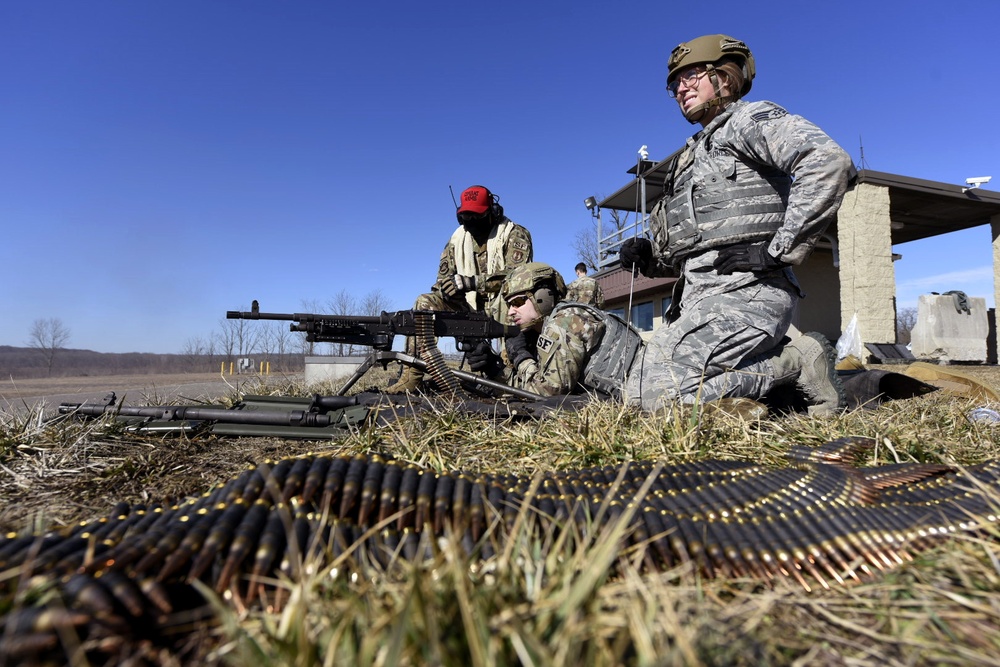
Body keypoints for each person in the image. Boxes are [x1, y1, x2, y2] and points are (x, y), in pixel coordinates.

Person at [618, 34, 852, 415]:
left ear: (724, 77)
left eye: (691, 75)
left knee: (651, 394)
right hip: (701, 301)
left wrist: (777, 252)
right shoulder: (690, 157)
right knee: (634, 384)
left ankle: (793, 364)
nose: (681, 87)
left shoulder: (746, 120)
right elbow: (699, 251)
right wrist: (648, 258)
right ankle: (771, 388)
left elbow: (827, 162)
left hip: (748, 295)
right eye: (675, 82)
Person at [387, 185, 533, 393]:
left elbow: (517, 278)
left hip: (504, 307)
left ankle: (508, 375)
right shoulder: (457, 240)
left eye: (478, 216)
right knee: (424, 302)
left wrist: (471, 282)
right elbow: (442, 279)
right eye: (466, 217)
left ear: (492, 211)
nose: (472, 223)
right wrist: (448, 289)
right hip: (468, 307)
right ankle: (412, 376)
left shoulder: (514, 234)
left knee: (509, 298)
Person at [467, 263, 642, 397]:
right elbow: (536, 387)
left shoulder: (563, 322)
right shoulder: (554, 322)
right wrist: (496, 369)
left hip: (649, 385)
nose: (511, 311)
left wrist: (521, 357)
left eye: (518, 302)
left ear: (543, 297)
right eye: (509, 304)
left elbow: (545, 394)